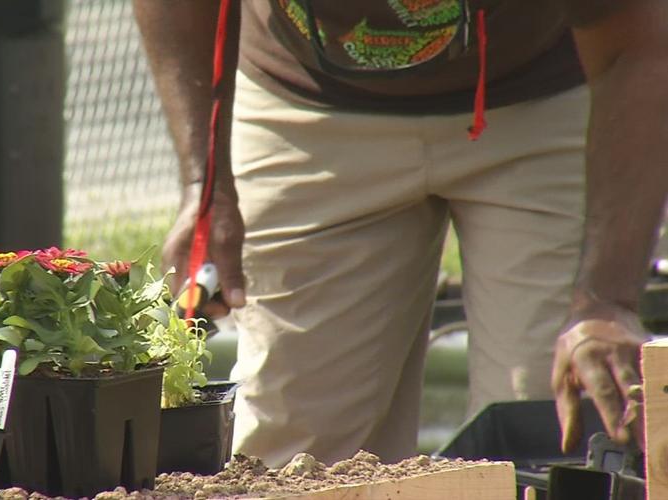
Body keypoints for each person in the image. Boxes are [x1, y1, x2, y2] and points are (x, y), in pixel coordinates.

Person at [134, 0, 666, 466]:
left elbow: (638, 47)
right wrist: (207, 188)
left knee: (551, 426)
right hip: (304, 111)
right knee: (297, 453)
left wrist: (603, 300)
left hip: (540, 102)